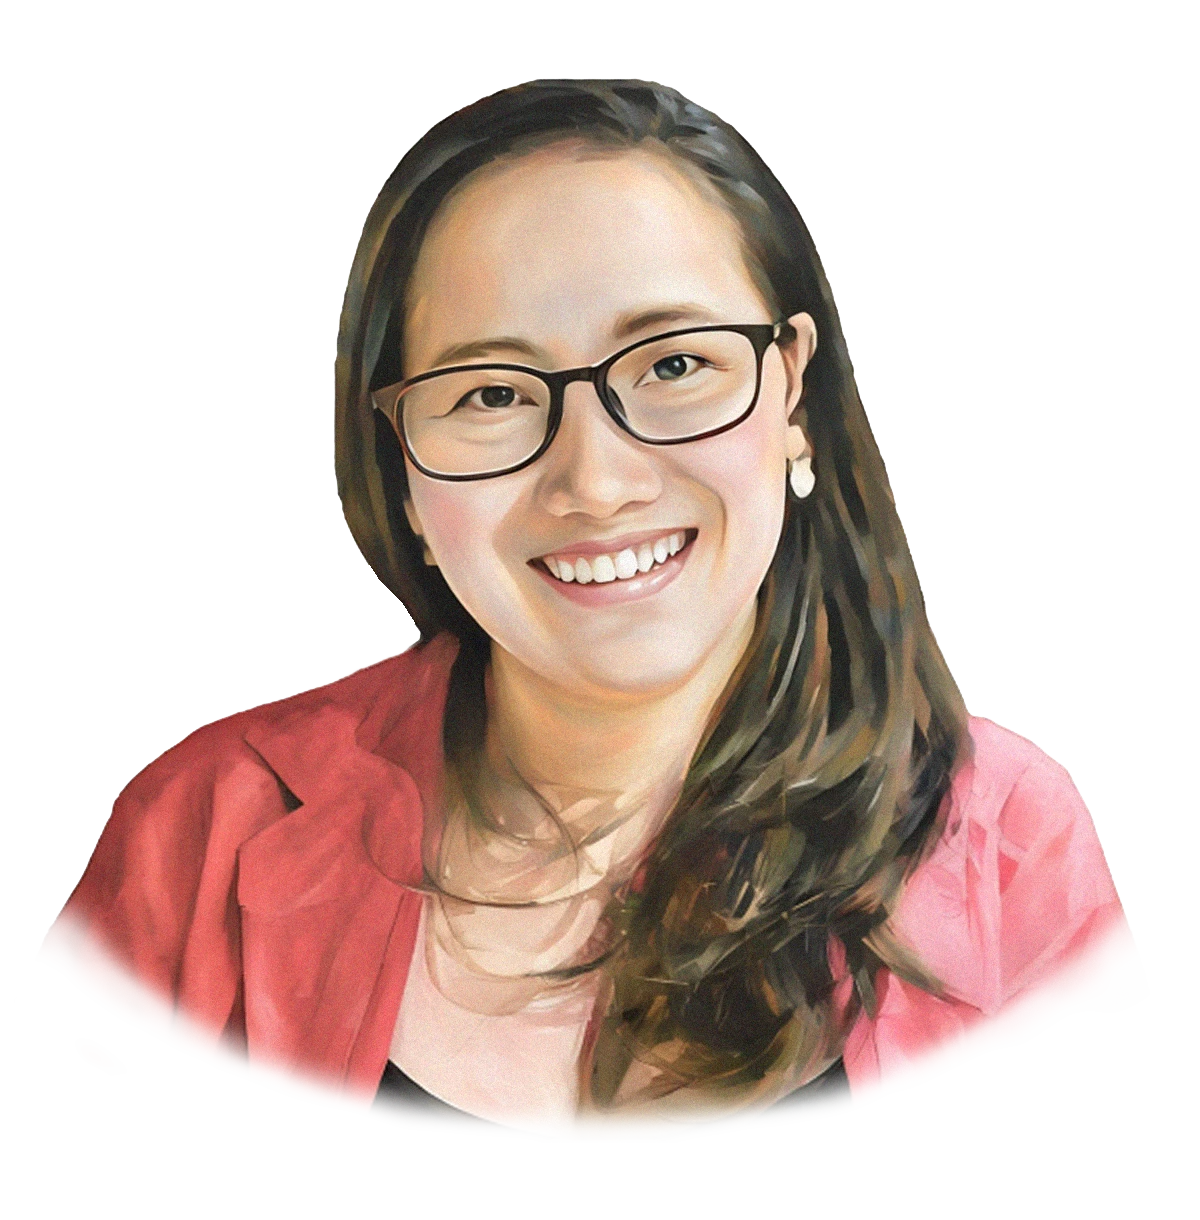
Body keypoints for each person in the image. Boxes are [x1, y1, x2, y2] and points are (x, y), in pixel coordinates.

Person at [13, 79, 1153, 1140]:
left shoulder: (1006, 845)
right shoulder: (204, 832)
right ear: (400, 466)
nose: (596, 481)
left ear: (795, 395)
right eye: (491, 393)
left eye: (673, 365)